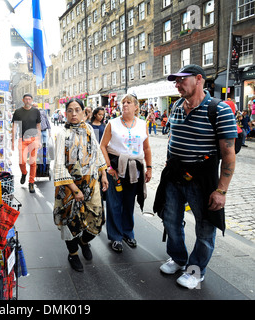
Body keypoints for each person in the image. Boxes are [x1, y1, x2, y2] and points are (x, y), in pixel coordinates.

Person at [154, 64, 237, 289]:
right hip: (174, 176)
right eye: (176, 81)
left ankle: (195, 270)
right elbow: (173, 137)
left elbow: (229, 154)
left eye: (182, 80)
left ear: (199, 79)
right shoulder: (177, 106)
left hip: (202, 179)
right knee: (170, 219)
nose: (177, 85)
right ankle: (179, 258)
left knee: (205, 227)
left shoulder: (219, 109)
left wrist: (221, 190)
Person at [53, 98, 108, 272]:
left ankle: (84, 242)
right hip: (69, 187)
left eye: (77, 110)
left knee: (97, 220)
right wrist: (74, 190)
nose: (74, 113)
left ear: (85, 112)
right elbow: (59, 165)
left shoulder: (89, 128)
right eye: (70, 110)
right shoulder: (62, 134)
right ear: (66, 113)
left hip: (92, 184)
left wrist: (103, 173)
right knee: (71, 222)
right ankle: (73, 253)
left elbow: (97, 152)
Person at [100, 94, 152, 252]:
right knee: (114, 202)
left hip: (134, 167)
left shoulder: (142, 124)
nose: (125, 105)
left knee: (129, 202)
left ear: (136, 106)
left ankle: (128, 233)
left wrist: (149, 167)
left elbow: (146, 148)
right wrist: (109, 167)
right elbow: (102, 146)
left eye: (129, 102)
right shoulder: (112, 123)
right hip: (115, 166)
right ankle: (116, 237)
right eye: (123, 102)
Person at [11, 93, 41, 193]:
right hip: (22, 139)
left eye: (29, 99)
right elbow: (14, 126)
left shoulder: (36, 111)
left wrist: (39, 140)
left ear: (32, 100)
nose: (28, 101)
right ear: (23, 100)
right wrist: (12, 141)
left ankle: (31, 182)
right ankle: (24, 173)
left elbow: (38, 126)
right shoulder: (18, 112)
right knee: (22, 161)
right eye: (26, 99)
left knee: (33, 162)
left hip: (34, 139)